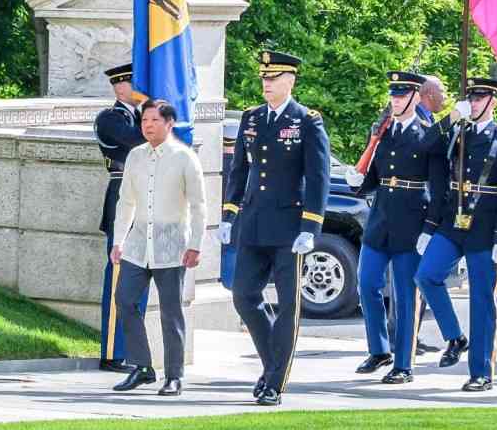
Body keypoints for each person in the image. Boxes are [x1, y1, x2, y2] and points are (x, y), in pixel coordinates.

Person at [217, 50, 330, 405]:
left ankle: (275, 384)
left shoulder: (306, 121)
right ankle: (271, 366)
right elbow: (239, 171)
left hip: (288, 228)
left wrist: (310, 226)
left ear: (290, 81)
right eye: (264, 78)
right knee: (244, 297)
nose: (266, 83)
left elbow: (318, 177)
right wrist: (229, 214)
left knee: (287, 306)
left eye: (273, 78)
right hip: (253, 223)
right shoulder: (252, 118)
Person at [414, 77, 497, 391]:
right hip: (453, 222)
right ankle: (455, 336)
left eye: (480, 98)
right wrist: (450, 117)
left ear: (493, 102)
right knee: (426, 275)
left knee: (482, 299)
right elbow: (424, 145)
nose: (473, 104)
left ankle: (481, 372)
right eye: (471, 98)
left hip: (485, 226)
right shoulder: (456, 132)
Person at [346, 71, 446, 384]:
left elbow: (439, 189)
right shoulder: (382, 132)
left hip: (412, 221)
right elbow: (373, 178)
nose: (396, 99)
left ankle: (404, 363)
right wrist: (358, 184)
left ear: (416, 97)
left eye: (402, 94)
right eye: (393, 94)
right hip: (380, 220)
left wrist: (429, 229)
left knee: (406, 296)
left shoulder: (428, 135)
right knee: (367, 283)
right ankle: (379, 349)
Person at [110, 99, 207, 397]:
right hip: (138, 243)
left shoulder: (185, 157)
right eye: (144, 120)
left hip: (172, 244)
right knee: (124, 300)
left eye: (154, 120)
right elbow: (126, 201)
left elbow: (199, 205)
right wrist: (118, 240)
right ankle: (141, 367)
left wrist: (195, 245)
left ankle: (174, 376)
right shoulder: (136, 156)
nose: (147, 125)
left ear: (169, 123)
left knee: (171, 311)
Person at [93, 63, 150, 373]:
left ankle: (132, 352)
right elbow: (141, 140)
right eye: (132, 83)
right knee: (119, 276)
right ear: (120, 87)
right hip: (123, 197)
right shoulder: (111, 118)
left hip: (147, 199)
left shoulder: (143, 116)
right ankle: (113, 352)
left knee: (139, 279)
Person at [390, 74, 447, 355]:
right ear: (427, 94)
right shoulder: (420, 123)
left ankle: (408, 335)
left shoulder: (427, 119)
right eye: (442, 91)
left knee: (410, 279)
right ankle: (402, 337)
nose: (446, 96)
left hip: (417, 207)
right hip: (406, 208)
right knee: (405, 279)